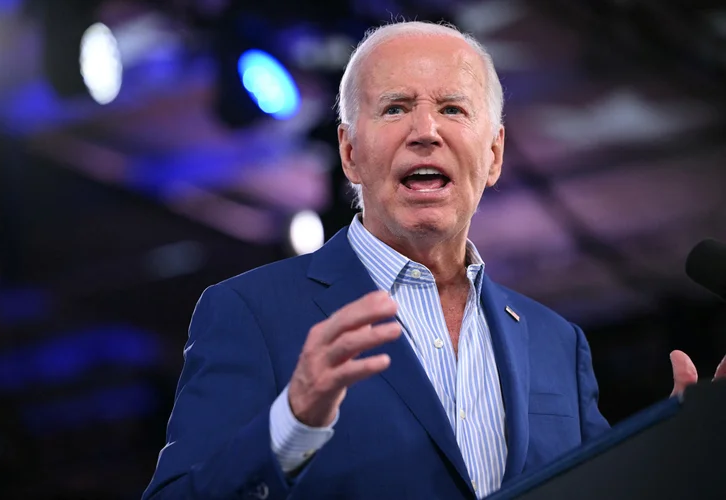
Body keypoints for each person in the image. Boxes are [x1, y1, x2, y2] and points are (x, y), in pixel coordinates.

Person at [142, 21, 726, 500]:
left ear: (493, 154)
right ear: (349, 152)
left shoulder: (557, 342)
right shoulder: (251, 311)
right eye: (395, 108)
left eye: (453, 108)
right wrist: (291, 423)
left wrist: (669, 454)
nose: (426, 131)